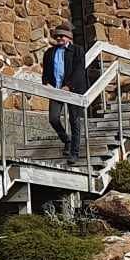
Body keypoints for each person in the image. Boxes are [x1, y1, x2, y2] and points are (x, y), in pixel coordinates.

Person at [41, 21, 88, 162]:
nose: (59, 39)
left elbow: (79, 71)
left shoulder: (78, 51)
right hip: (56, 90)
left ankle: (74, 153)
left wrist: (69, 85)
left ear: (68, 37)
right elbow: (46, 72)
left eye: (62, 36)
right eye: (57, 36)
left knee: (74, 120)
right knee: (53, 118)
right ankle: (66, 140)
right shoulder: (50, 52)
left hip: (73, 90)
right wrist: (46, 82)